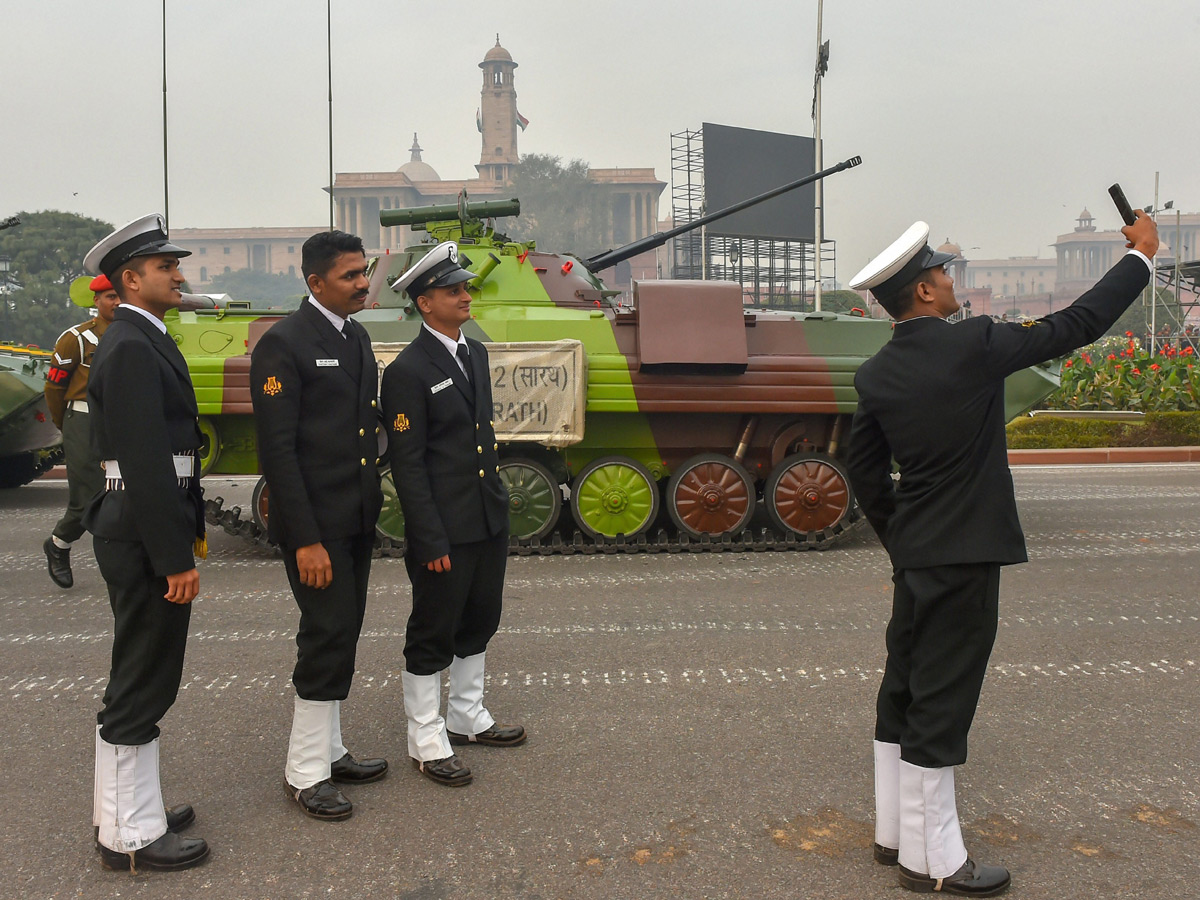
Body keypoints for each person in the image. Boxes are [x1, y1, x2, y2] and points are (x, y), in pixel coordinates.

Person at [845, 212, 1158, 896]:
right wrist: (1139, 259)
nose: (949, 280)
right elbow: (1076, 325)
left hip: (919, 557)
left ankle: (892, 834)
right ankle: (936, 864)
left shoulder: (875, 375)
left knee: (903, 688)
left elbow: (863, 472)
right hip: (965, 554)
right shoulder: (977, 345)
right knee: (942, 704)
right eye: (940, 273)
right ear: (923, 293)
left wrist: (904, 539)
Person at [82, 214, 211, 872]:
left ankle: (128, 805)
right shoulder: (131, 344)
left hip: (136, 520)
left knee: (140, 674)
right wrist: (174, 557)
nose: (178, 273)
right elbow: (146, 461)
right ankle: (129, 837)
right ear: (131, 280)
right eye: (165, 267)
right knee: (142, 680)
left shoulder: (139, 335)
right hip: (141, 527)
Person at [250, 230, 387, 820]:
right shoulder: (283, 344)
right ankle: (305, 773)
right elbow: (278, 451)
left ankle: (329, 752)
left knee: (344, 632)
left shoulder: (354, 337)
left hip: (352, 516)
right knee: (324, 634)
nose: (363, 284)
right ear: (315, 283)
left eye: (363, 272)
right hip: (315, 525)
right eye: (351, 275)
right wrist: (304, 538)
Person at [380, 241, 525, 788]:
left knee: (480, 617)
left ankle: (466, 715)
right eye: (453, 290)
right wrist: (429, 538)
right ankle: (425, 736)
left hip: (485, 517)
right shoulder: (407, 372)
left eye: (465, 287)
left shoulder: (475, 354)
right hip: (443, 526)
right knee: (433, 629)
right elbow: (408, 466)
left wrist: (498, 512)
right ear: (424, 303)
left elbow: (479, 437)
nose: (466, 296)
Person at [42, 274, 120, 588]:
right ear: (96, 301)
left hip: (119, 422)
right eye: (109, 297)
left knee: (122, 492)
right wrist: (67, 425)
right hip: (83, 421)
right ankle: (59, 544)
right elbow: (54, 387)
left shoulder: (131, 333)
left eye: (119, 296)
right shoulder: (76, 338)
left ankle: (121, 560)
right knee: (89, 497)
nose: (116, 302)